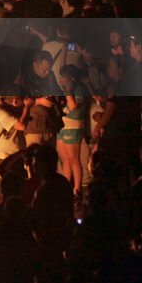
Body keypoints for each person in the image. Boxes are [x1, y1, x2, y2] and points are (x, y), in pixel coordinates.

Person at [56, 64, 88, 197]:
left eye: (63, 76)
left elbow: (74, 107)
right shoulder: (65, 89)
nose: (61, 79)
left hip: (73, 126)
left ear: (71, 78)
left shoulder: (79, 88)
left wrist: (68, 92)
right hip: (63, 125)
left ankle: (77, 189)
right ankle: (66, 186)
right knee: (65, 159)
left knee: (74, 158)